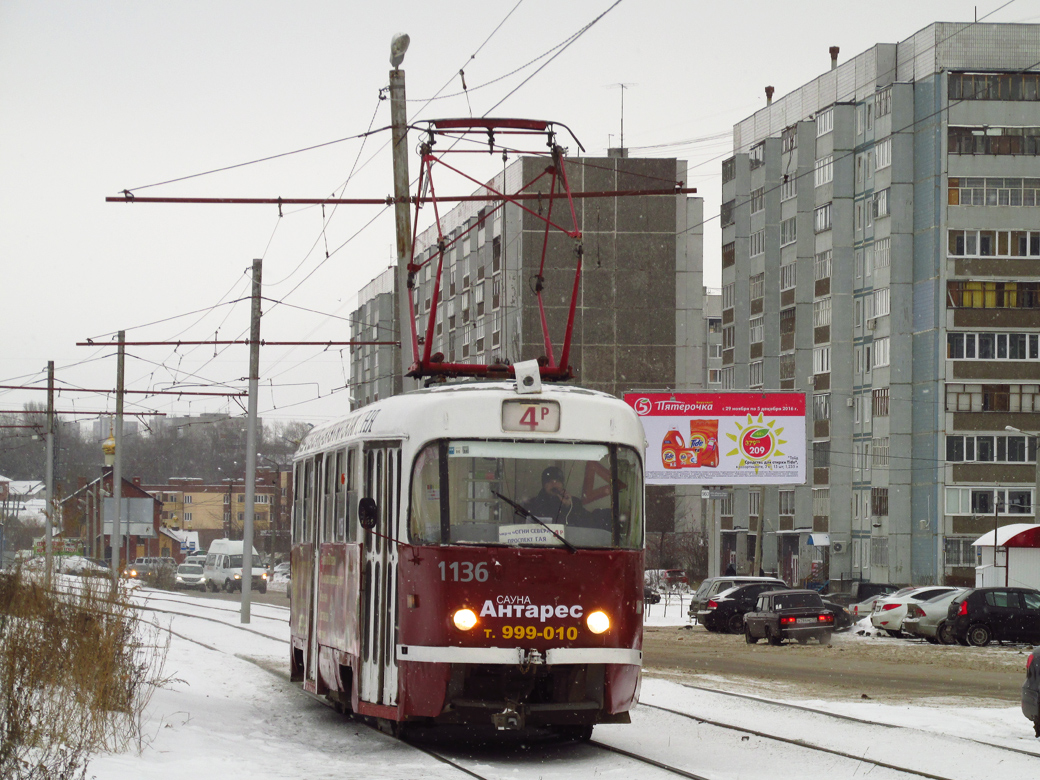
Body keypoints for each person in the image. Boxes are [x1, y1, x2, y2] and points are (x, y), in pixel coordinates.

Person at [523, 466, 589, 524]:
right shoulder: (532, 504)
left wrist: (568, 506)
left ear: (562, 484)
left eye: (557, 481)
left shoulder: (574, 502)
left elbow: (584, 525)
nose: (554, 484)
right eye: (549, 481)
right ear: (544, 485)